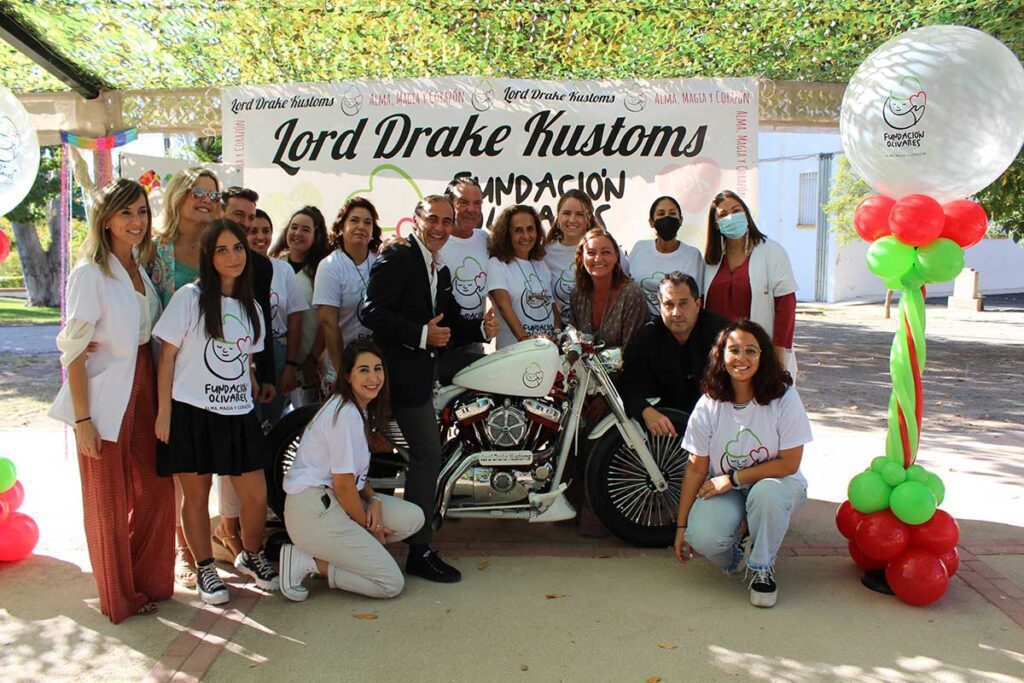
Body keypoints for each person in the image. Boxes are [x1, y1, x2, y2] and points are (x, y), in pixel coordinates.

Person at [49, 179, 174, 623]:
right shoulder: (89, 274)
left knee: (157, 489)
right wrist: (83, 419)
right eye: (126, 213)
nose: (136, 221)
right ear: (105, 219)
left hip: (144, 383)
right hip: (103, 396)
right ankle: (118, 596)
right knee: (108, 501)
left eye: (141, 211)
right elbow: (73, 351)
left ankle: (147, 579)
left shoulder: (139, 265)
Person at [360, 195, 499, 583]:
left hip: (426, 367)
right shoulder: (399, 256)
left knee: (488, 374)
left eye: (446, 221)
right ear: (416, 220)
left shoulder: (440, 269)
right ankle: (419, 549)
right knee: (427, 453)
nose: (439, 227)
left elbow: (448, 322)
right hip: (401, 375)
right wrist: (421, 335)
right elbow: (370, 311)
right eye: (432, 219)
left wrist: (481, 329)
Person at [153, 219, 279, 605]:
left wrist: (251, 381)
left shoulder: (252, 306)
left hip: (238, 413)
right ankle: (205, 566)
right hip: (192, 412)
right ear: (209, 256)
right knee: (196, 496)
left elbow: (247, 358)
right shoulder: (188, 298)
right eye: (222, 250)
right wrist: (164, 412)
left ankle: (251, 553)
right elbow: (167, 358)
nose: (232, 256)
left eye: (238, 248)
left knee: (255, 495)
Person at [673, 320, 811, 608]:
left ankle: (762, 567)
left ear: (763, 356)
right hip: (731, 490)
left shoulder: (784, 397)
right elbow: (696, 467)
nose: (742, 358)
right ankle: (738, 557)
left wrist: (733, 478)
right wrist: (681, 526)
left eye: (751, 350)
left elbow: (789, 463)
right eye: (734, 350)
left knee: (766, 493)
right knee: (702, 536)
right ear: (721, 356)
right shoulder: (709, 403)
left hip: (778, 486)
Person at [279, 339, 425, 601]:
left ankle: (346, 551)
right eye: (363, 370)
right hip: (313, 511)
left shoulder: (355, 408)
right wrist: (369, 529)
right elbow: (344, 486)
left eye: (378, 369)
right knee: (390, 583)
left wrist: (374, 500)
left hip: (333, 500)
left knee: (412, 518)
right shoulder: (345, 415)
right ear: (347, 375)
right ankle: (307, 562)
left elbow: (354, 476)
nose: (374, 378)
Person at [149, 167, 221, 589]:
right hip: (164, 369)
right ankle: (183, 551)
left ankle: (203, 545)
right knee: (179, 466)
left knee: (203, 469)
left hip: (210, 375)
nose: (205, 200)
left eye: (213, 194)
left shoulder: (219, 247)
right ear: (178, 195)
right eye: (197, 191)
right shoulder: (154, 248)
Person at [210, 188, 280, 565]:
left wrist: (265, 376)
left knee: (236, 458)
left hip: (240, 378)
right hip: (198, 376)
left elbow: (260, 322)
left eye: (251, 217)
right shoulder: (205, 257)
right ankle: (206, 541)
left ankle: (234, 533)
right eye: (239, 215)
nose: (247, 223)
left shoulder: (262, 267)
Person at [703, 191, 798, 379]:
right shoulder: (710, 261)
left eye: (736, 210)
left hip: (759, 355)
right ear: (716, 224)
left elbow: (786, 306)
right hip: (719, 357)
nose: (731, 217)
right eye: (723, 214)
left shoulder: (771, 252)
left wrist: (778, 357)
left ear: (746, 214)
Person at [619, 272, 728, 435]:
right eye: (669, 304)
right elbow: (627, 384)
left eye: (683, 304)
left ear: (697, 304)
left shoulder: (722, 334)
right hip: (666, 433)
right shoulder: (647, 338)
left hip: (717, 424)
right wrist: (645, 410)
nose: (676, 312)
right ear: (660, 306)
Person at [314, 197, 381, 388]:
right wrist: (342, 373)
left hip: (374, 365)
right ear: (341, 227)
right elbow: (329, 323)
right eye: (354, 220)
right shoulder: (330, 266)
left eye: (367, 222)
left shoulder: (381, 262)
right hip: (342, 365)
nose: (361, 226)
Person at [267, 206, 328, 406]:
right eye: (294, 227)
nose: (297, 233)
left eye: (305, 229)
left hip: (310, 366)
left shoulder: (323, 270)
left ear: (316, 236)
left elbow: (327, 321)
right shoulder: (273, 264)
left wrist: (313, 359)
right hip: (276, 361)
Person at [543, 189, 629, 314]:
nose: (572, 220)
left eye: (580, 214)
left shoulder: (608, 247)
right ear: (558, 217)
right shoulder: (546, 254)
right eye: (566, 213)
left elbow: (625, 288)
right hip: (560, 325)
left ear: (588, 218)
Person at [486, 205, 558, 348]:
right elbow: (504, 308)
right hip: (516, 352)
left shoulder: (541, 265)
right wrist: (524, 339)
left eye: (530, 229)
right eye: (518, 230)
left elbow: (552, 306)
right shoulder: (497, 264)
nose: (526, 236)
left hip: (546, 349)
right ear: (507, 234)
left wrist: (556, 335)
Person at [441, 175, 491, 372]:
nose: (471, 209)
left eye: (477, 203)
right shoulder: (437, 241)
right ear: (449, 204)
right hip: (442, 345)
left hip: (475, 342)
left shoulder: (484, 239)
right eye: (463, 202)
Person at [568, 228, 646, 350]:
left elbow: (633, 352)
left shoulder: (631, 294)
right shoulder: (577, 294)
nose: (598, 259)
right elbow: (574, 343)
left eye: (605, 252)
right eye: (591, 253)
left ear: (616, 257)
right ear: (582, 258)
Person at [629, 196, 705, 317]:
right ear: (651, 222)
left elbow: (697, 297)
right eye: (661, 213)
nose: (667, 218)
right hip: (639, 322)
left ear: (680, 220)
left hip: (676, 322)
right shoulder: (640, 248)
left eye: (672, 213)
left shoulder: (693, 255)